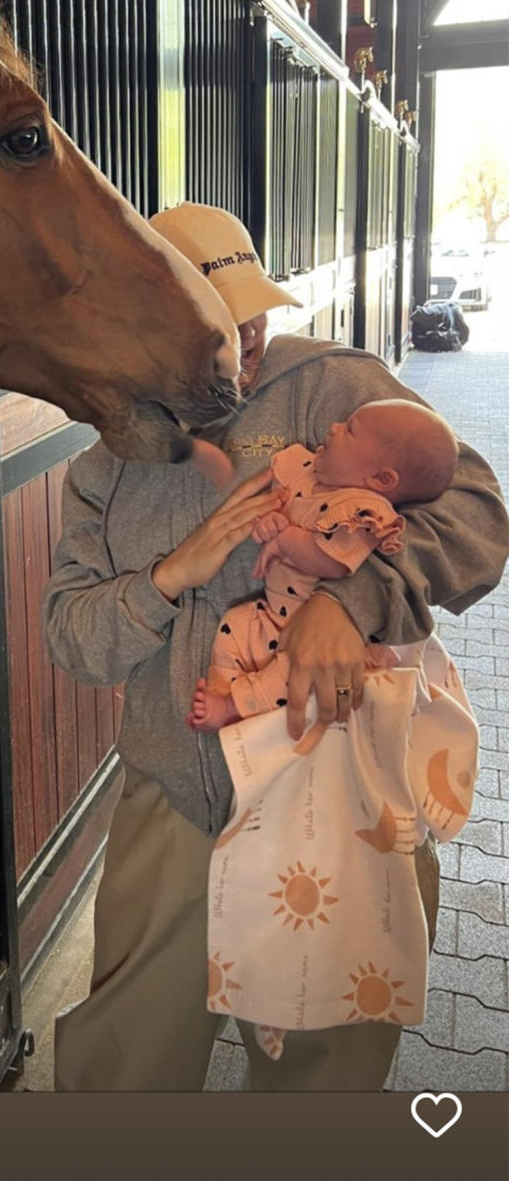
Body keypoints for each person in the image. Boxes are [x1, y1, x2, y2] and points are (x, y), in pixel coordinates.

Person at [43, 203, 508, 1091]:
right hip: (178, 795)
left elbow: (479, 512)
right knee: (124, 1067)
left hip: (346, 797)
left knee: (328, 1073)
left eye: (251, 309)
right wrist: (174, 572)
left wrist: (354, 596)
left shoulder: (337, 387)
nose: (245, 334)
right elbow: (71, 636)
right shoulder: (107, 460)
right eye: (218, 319)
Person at [189, 398, 459, 730]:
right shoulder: (308, 477)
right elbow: (282, 510)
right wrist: (270, 522)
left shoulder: (363, 511)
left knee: (298, 665)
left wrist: (285, 539)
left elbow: (332, 561)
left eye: (350, 430)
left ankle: (234, 706)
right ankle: (224, 689)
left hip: (323, 630)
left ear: (381, 479)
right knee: (235, 623)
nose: (334, 427)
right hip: (275, 612)